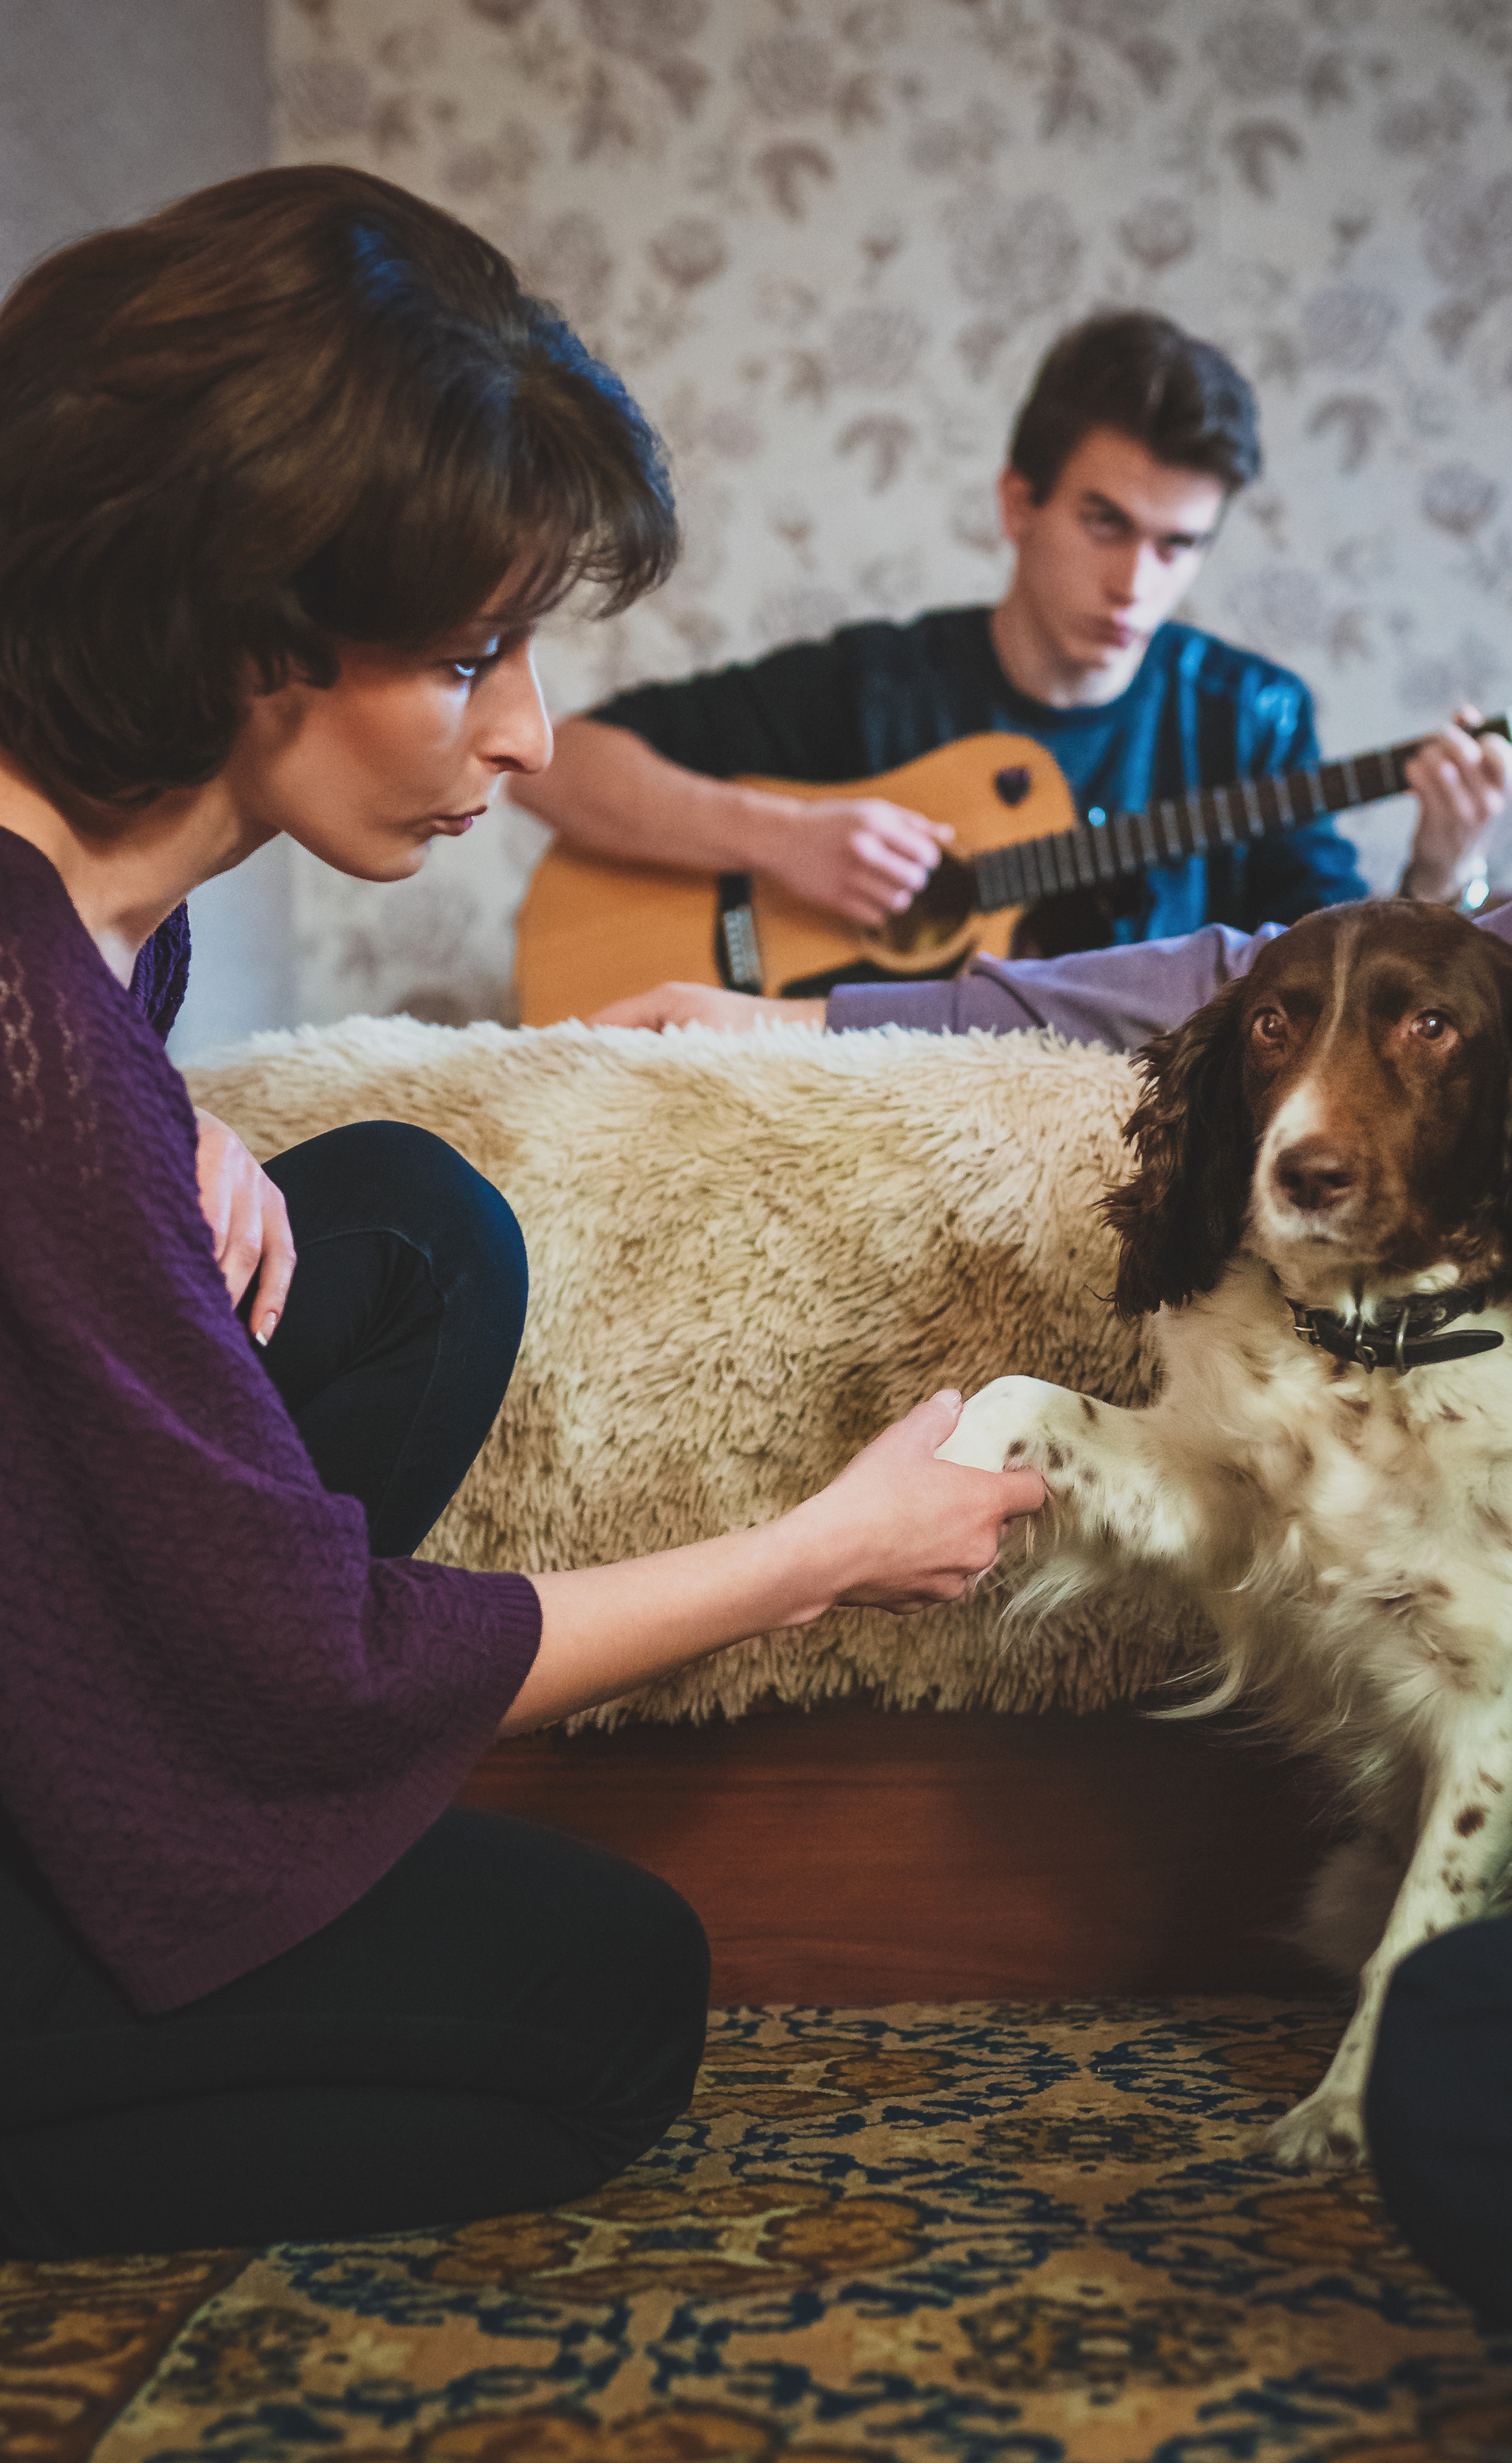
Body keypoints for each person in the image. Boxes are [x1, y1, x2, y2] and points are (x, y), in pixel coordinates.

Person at [0, 165, 1046, 2260]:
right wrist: (827, 1550)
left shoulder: (85, 899)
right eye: (474, 653)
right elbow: (330, 1669)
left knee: (401, 1226)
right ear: (239, 625)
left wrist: (151, 1110)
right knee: (610, 2007)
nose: (531, 733)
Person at [614, 843, 1512, 2432]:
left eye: (1418, 1039)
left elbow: (1495, 1728)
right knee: (1403, 1960)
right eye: (1284, 1046)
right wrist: (811, 1016)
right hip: (1450, 1853)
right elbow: (1248, 975)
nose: (1320, 1122)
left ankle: (1427, 2040)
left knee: (1447, 2037)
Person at [511, 311, 1512, 966]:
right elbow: (556, 770)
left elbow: (1333, 975)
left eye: (1180, 546)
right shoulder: (883, 684)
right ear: (1018, 502)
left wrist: (1439, 877)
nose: (1135, 583)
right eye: (1105, 523)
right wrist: (781, 840)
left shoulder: (1251, 719)